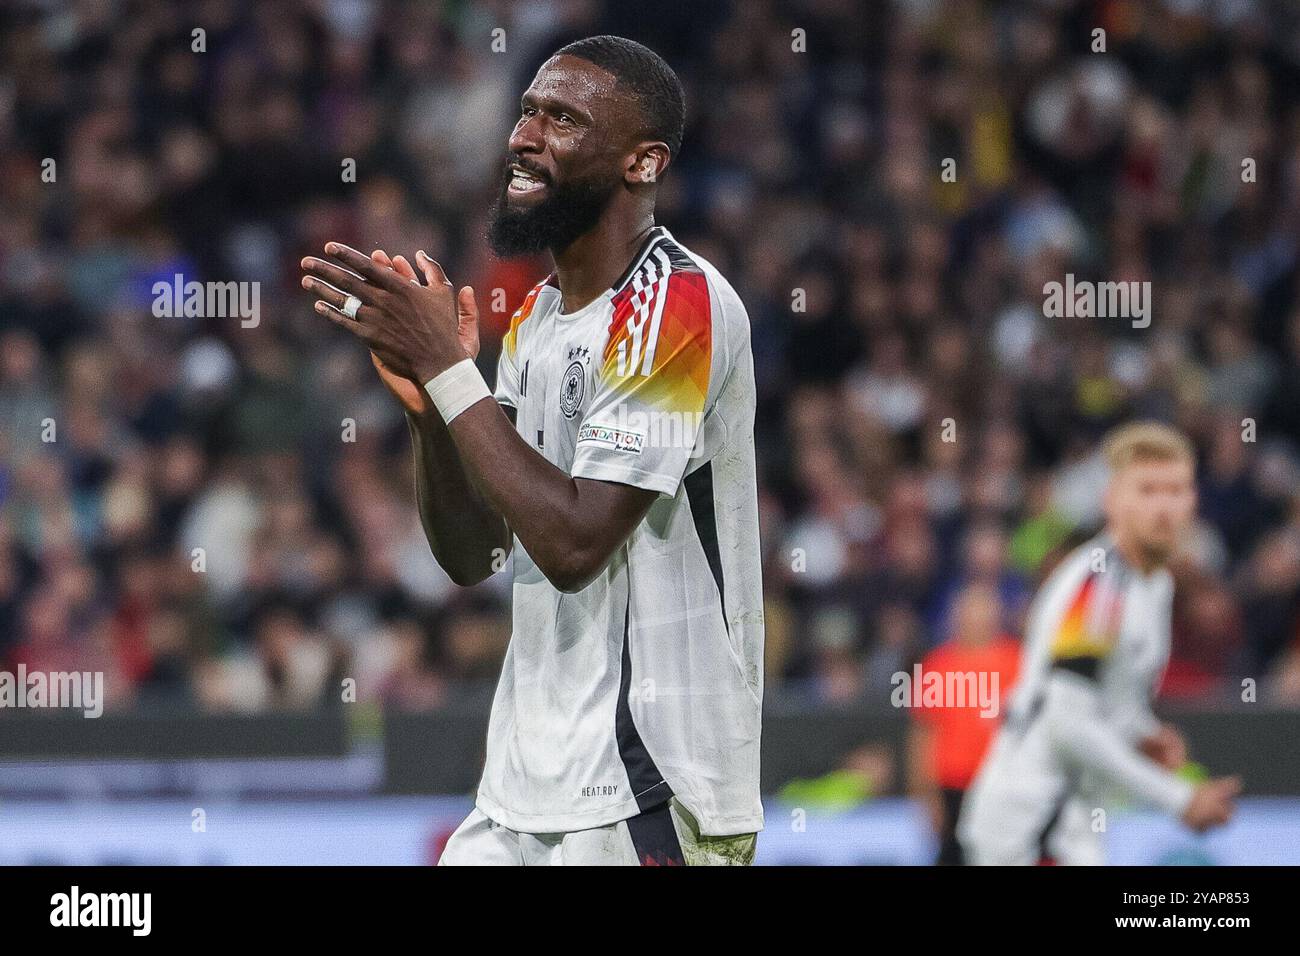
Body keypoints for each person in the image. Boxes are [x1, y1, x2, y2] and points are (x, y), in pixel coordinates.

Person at [300, 35, 762, 865]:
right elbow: (476, 552)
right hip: (519, 791)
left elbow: (575, 540)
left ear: (642, 162)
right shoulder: (540, 323)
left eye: (563, 118)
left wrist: (449, 368)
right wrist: (431, 411)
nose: (525, 134)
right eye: (526, 111)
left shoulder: (676, 303)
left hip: (645, 789)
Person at [958, 422, 1240, 865]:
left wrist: (1142, 732)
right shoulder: (1098, 588)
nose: (1164, 507)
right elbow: (1066, 721)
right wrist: (1178, 798)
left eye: (1176, 490)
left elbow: (1103, 702)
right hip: (1032, 827)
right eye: (1147, 490)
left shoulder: (1155, 584)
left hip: (1072, 822)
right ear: (1112, 500)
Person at [908, 584, 1019, 865]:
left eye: (984, 609)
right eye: (970, 609)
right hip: (952, 787)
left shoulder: (1017, 661)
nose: (977, 618)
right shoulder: (938, 666)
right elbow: (924, 734)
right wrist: (925, 796)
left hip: (1000, 785)